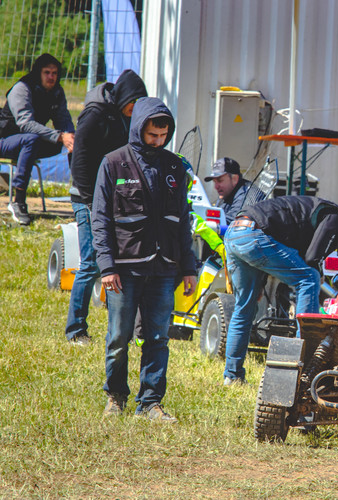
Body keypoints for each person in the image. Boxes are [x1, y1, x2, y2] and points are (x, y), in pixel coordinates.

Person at [92, 97, 197, 422]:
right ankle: (115, 397)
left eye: (163, 136)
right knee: (119, 338)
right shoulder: (112, 163)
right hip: (124, 269)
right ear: (139, 128)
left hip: (165, 269)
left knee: (157, 338)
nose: (158, 141)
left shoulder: (175, 166)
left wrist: (189, 268)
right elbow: (100, 220)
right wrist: (106, 266)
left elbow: (183, 219)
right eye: (152, 135)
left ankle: (150, 403)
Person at [222, 197, 338, 385]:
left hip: (235, 232)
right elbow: (312, 259)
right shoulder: (336, 219)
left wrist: (260, 282)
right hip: (254, 235)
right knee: (308, 278)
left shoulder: (321, 219)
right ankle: (303, 365)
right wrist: (317, 272)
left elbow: (286, 240)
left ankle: (232, 376)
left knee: (244, 308)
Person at [64, 69, 148, 346]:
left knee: (116, 263)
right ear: (125, 97)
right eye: (133, 104)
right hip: (86, 197)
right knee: (91, 263)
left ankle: (119, 329)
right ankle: (75, 330)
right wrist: (90, 201)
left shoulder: (125, 117)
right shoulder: (95, 114)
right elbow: (80, 159)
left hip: (113, 199)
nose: (134, 110)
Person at [1, 53, 75, 225]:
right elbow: (25, 124)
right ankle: (18, 201)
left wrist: (71, 137)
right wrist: (58, 136)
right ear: (38, 73)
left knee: (71, 142)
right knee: (32, 139)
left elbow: (63, 120)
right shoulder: (22, 88)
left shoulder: (57, 92)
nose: (51, 77)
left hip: (30, 141)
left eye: (55, 73)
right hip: (5, 140)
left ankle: (82, 197)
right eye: (47, 72)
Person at [203, 157, 262, 225]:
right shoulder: (227, 192)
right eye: (214, 182)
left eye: (220, 181)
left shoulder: (245, 196)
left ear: (234, 179)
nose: (216, 187)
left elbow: (232, 223)